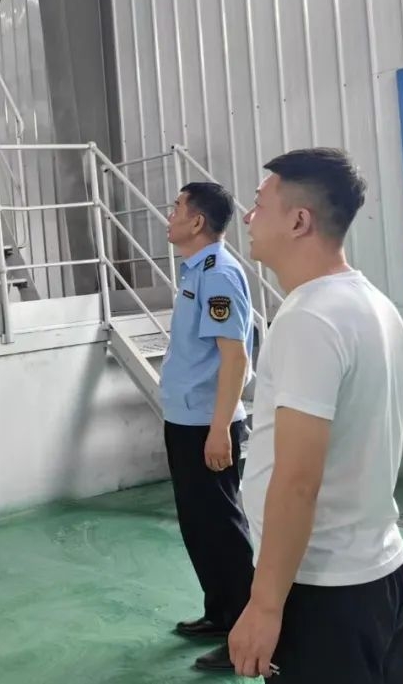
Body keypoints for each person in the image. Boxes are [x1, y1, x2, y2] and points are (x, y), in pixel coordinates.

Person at [230, 148, 403, 682]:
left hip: (325, 593)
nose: (249, 216)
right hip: (382, 573)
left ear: (299, 221)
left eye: (260, 203)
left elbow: (297, 481)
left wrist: (265, 605)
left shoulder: (310, 318)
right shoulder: (375, 306)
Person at [160, 182, 256, 672]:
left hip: (207, 424)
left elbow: (234, 357)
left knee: (222, 528)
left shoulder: (218, 274)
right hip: (185, 419)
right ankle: (220, 613)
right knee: (198, 524)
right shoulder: (195, 270)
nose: (170, 215)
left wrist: (220, 429)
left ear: (197, 221)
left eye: (177, 207)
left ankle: (245, 633)